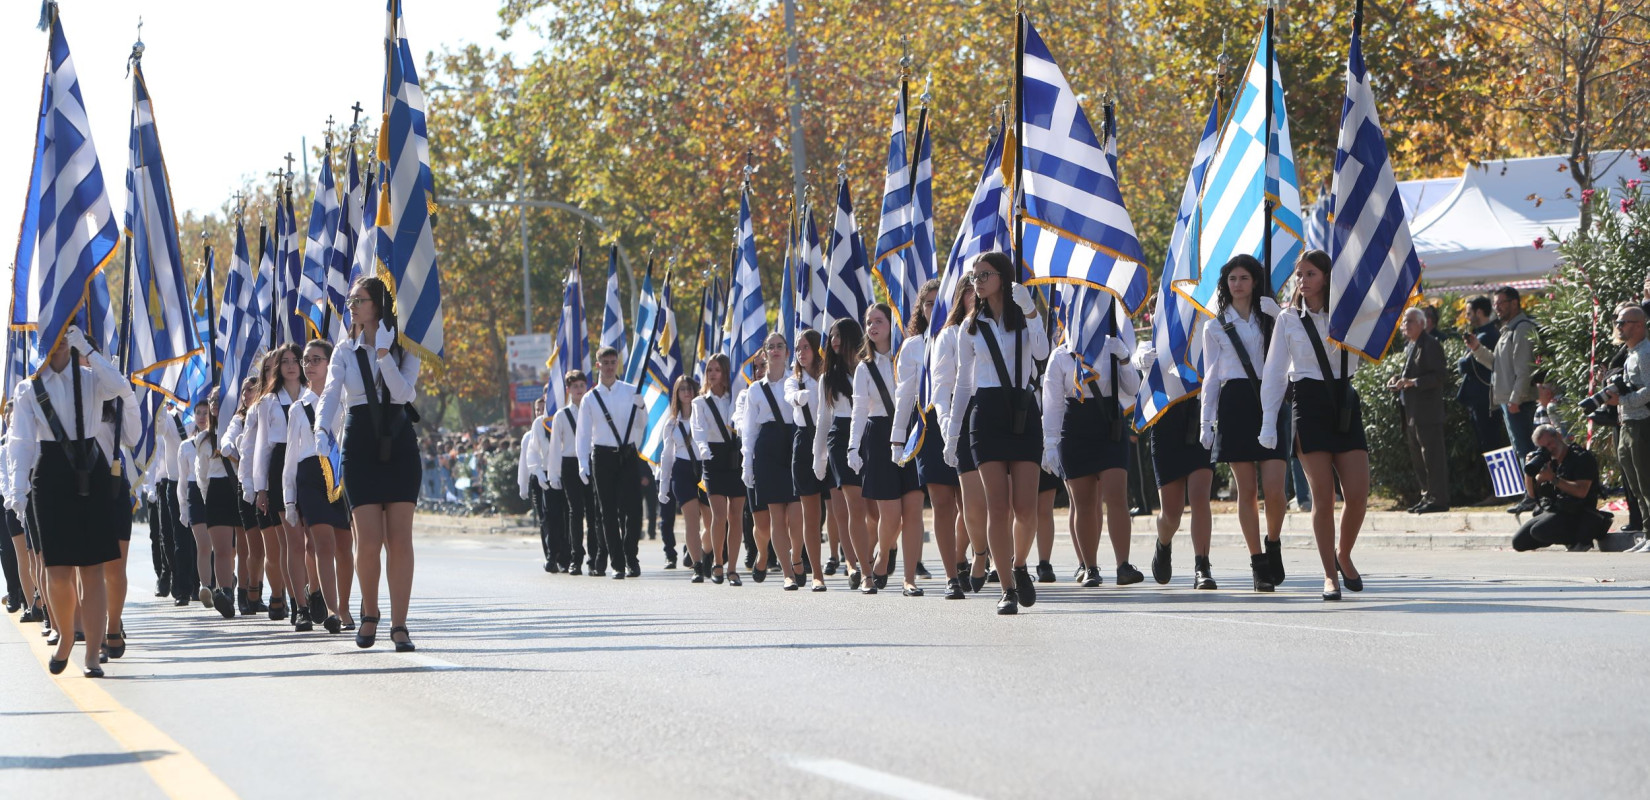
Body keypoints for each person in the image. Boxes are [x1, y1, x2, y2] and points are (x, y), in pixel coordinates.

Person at [6, 325, 133, 677]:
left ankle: (92, 653)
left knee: (92, 569)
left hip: (89, 467)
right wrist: (16, 489)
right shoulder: (29, 387)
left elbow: (121, 388)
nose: (60, 337)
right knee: (57, 572)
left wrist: (88, 351)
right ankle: (65, 636)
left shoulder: (92, 378)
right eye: (54, 329)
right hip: (51, 474)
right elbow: (21, 442)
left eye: (66, 328)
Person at [316, 277, 424, 652]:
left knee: (399, 539)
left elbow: (403, 394)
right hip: (360, 441)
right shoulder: (344, 351)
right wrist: (321, 432)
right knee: (369, 538)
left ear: (378, 304)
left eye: (358, 300)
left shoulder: (407, 349)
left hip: (399, 442)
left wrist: (383, 355)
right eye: (350, 301)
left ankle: (400, 624)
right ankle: (370, 614)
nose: (352, 306)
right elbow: (331, 394)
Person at [1259, 250, 1369, 602]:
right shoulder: (1288, 319)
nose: (1302, 282)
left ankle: (1344, 554)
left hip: (1344, 401)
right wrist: (1268, 422)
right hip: (1308, 403)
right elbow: (1275, 372)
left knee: (1357, 495)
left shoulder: (1347, 315)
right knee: (1322, 495)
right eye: (1299, 275)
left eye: (1310, 274)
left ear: (1326, 277)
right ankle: (1328, 575)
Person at [943, 251, 1049, 614]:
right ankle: (1006, 587)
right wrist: (952, 436)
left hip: (1022, 412)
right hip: (986, 415)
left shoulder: (1025, 316)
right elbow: (963, 383)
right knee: (998, 509)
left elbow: (1042, 352)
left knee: (1026, 509)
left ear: (1002, 277)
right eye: (974, 276)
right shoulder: (969, 327)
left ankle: (1020, 565)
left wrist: (1031, 310)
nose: (977, 282)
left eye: (984, 274)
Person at [1200, 255, 1288, 592]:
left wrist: (1280, 317)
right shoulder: (1215, 325)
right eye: (1232, 279)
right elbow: (1210, 376)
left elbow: (1295, 352)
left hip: (1270, 398)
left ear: (1255, 282)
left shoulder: (1272, 318)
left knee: (1276, 489)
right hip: (1235, 400)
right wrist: (1206, 421)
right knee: (1247, 490)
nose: (1238, 284)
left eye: (1244, 278)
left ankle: (1274, 542)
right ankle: (1258, 563)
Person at [1042, 299, 1141, 589]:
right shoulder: (1061, 355)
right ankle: (1090, 566)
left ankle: (1123, 565)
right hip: (1076, 427)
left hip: (1109, 422)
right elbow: (1053, 403)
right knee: (1084, 503)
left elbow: (1132, 389)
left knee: (1117, 497)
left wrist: (1124, 358)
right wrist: (1050, 443)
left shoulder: (1112, 347)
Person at [891, 280, 966, 599]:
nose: (934, 308)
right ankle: (952, 576)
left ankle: (972, 560)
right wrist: (897, 439)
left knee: (972, 503)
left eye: (940, 302)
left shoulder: (963, 335)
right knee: (943, 504)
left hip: (964, 421)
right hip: (930, 426)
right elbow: (905, 393)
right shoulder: (913, 346)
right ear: (921, 309)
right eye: (929, 303)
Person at [851, 304, 926, 597]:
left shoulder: (906, 357)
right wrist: (852, 446)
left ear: (891, 325)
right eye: (868, 322)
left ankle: (909, 579)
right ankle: (881, 557)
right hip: (879, 435)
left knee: (914, 512)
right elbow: (859, 410)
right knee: (890, 516)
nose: (872, 326)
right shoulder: (863, 367)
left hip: (910, 431)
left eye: (878, 320)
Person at [282, 339, 350, 634]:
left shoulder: (346, 401)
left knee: (345, 547)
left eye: (316, 360)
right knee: (323, 543)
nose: (309, 366)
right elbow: (291, 458)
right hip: (310, 475)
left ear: (330, 362)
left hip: (341, 474)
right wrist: (288, 500)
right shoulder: (298, 409)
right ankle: (332, 608)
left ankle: (345, 608)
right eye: (305, 360)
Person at [743, 334, 812, 590]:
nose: (775, 350)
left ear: (787, 351)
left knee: (796, 515)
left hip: (793, 445)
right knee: (775, 517)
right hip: (767, 449)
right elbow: (750, 430)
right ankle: (786, 573)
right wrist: (747, 464)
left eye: (780, 346)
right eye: (770, 346)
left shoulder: (796, 382)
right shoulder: (754, 389)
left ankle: (796, 557)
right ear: (763, 352)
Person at [934, 281, 989, 592]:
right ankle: (960, 562)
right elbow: (942, 388)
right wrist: (947, 427)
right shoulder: (950, 335)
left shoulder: (994, 326)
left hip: (993, 409)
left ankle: (997, 558)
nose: (976, 293)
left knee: (998, 496)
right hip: (961, 413)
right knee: (969, 499)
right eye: (970, 288)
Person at [252, 344, 310, 629]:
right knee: (291, 542)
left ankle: (316, 595)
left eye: (295, 360)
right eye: (284, 361)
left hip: (309, 464)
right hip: (278, 469)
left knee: (313, 540)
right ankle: (300, 605)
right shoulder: (268, 401)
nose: (290, 366)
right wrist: (260, 488)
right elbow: (262, 447)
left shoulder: (315, 396)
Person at [576, 347, 647, 580]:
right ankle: (617, 562)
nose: (609, 366)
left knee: (634, 509)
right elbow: (584, 434)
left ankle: (631, 557)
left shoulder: (629, 391)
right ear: (598, 365)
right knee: (607, 512)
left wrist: (642, 407)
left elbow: (640, 425)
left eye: (613, 362)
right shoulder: (590, 398)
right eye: (605, 362)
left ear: (618, 364)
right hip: (603, 456)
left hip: (627, 454)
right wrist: (582, 463)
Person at [812, 321, 873, 590]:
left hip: (870, 433)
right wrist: (819, 455)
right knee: (854, 506)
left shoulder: (869, 367)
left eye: (840, 335)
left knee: (876, 509)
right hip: (840, 438)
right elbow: (823, 419)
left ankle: (874, 556)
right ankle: (861, 568)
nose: (835, 340)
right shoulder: (827, 377)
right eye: (832, 336)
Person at [1467, 286, 1539, 512]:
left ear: (1515, 303)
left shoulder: (1522, 327)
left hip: (1519, 402)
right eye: (1495, 304)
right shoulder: (1507, 330)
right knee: (1521, 450)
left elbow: (1524, 369)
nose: (1497, 307)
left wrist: (1516, 399)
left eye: (1501, 303)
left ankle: (1534, 496)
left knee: (1527, 450)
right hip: (1509, 401)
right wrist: (1477, 349)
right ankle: (1531, 495)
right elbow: (1497, 366)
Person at [1390, 307, 1450, 514]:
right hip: (1411, 412)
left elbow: (1439, 376)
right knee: (1419, 458)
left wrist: (1413, 382)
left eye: (1410, 322)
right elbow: (1410, 373)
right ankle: (1427, 496)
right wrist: (1398, 380)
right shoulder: (1411, 346)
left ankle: (1438, 498)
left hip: (1427, 412)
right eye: (1404, 322)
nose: (1405, 326)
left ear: (1422, 324)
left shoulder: (1430, 345)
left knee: (1432, 457)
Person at [1511, 425, 1610, 551]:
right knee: (1519, 542)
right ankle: (1565, 536)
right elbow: (1531, 494)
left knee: (1539, 530)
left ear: (1558, 436)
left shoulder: (1581, 457)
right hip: (1557, 509)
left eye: (1550, 443)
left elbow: (1581, 491)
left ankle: (1579, 539)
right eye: (1544, 447)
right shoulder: (1548, 462)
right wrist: (1529, 472)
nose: (1549, 449)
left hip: (1579, 512)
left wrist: (1553, 479)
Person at [694, 354, 744, 585]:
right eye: (709, 370)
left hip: (734, 455)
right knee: (719, 514)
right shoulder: (700, 402)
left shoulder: (735, 398)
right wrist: (703, 448)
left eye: (717, 370)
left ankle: (733, 568)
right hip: (712, 457)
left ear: (725, 373)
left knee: (736, 515)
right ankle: (717, 561)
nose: (712, 374)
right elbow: (698, 428)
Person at [785, 329, 828, 590]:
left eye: (806, 347)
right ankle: (817, 574)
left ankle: (854, 564)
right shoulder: (794, 381)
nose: (801, 353)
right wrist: (799, 397)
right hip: (805, 444)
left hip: (830, 442)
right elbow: (790, 396)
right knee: (811, 514)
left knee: (839, 510)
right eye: (798, 348)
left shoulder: (829, 377)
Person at [221, 377, 268, 616]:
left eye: (252, 389)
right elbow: (226, 442)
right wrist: (240, 447)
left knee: (272, 545)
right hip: (247, 486)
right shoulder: (239, 420)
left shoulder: (269, 412)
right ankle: (246, 593)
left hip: (270, 485)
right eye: (244, 391)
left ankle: (268, 592)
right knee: (250, 547)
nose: (247, 394)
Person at [1605, 306, 1650, 546]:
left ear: (1639, 325)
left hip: (1642, 423)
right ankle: (1646, 532)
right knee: (1635, 485)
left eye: (1624, 322)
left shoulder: (1645, 353)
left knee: (1646, 482)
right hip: (1627, 422)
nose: (1619, 326)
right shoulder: (1630, 353)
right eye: (1618, 322)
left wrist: (1622, 400)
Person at [656, 376, 708, 581]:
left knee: (712, 521)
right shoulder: (671, 424)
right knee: (692, 521)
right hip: (682, 470)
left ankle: (706, 553)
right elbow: (666, 456)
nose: (687, 392)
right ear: (677, 394)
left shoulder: (704, 416)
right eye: (682, 389)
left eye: (690, 388)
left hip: (704, 469)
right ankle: (697, 566)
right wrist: (663, 486)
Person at [194, 397, 241, 619]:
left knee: (245, 548)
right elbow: (201, 475)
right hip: (217, 489)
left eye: (219, 400)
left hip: (241, 487)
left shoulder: (241, 427)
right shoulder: (203, 439)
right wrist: (207, 498)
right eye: (212, 401)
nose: (214, 405)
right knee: (222, 550)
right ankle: (226, 593)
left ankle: (252, 592)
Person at [547, 371, 597, 575]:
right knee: (575, 512)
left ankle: (594, 558)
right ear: (568, 390)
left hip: (591, 461)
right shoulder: (561, 415)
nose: (578, 390)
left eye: (581, 386)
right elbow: (555, 448)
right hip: (570, 464)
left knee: (594, 513)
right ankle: (577, 557)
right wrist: (554, 474)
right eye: (574, 386)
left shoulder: (592, 409)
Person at [1455, 296, 1506, 457]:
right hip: (1482, 399)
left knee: (1491, 446)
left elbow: (1465, 365)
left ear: (1479, 312)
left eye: (1469, 313)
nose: (1467, 317)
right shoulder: (1482, 334)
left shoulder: (1486, 336)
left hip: (1485, 400)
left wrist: (1464, 360)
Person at [517, 397, 557, 572]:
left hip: (553, 474)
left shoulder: (556, 425)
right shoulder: (529, 435)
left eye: (543, 409)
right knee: (544, 518)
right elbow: (524, 462)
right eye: (538, 410)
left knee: (556, 516)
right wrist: (523, 485)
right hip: (537, 477)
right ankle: (549, 552)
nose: (540, 413)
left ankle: (559, 553)